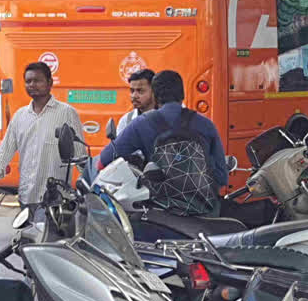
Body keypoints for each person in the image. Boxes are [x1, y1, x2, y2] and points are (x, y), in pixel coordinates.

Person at [97, 70, 228, 214]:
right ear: (182, 95)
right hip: (205, 211)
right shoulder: (206, 125)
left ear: (154, 96)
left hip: (162, 211)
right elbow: (221, 177)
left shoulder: (141, 124)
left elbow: (104, 160)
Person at [0, 62, 84, 218]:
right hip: (27, 199)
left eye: (37, 80)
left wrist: (89, 183)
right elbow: (5, 149)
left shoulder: (67, 113)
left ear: (50, 83)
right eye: (28, 81)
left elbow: (80, 155)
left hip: (56, 201)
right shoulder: (20, 116)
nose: (32, 85)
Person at [117, 68, 156, 135]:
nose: (134, 96)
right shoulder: (126, 120)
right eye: (132, 91)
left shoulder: (166, 117)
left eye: (140, 91)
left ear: (154, 91)